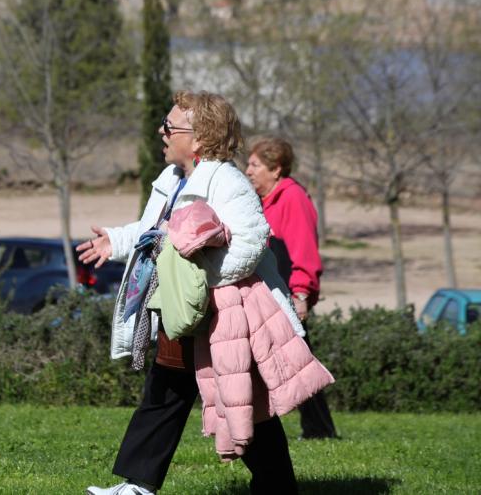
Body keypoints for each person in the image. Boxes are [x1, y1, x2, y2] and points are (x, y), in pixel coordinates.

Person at [78, 92, 299, 495]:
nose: (161, 132)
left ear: (198, 139)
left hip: (222, 315)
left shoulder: (228, 182)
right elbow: (154, 233)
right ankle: (139, 486)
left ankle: (278, 487)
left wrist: (202, 279)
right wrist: (116, 239)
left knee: (246, 406)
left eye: (170, 127)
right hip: (183, 311)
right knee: (164, 391)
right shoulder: (171, 180)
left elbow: (251, 244)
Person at [245, 136, 338, 440]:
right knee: (296, 360)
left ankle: (319, 429)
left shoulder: (292, 198)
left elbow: (305, 253)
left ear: (276, 169)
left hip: (288, 296)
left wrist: (301, 295)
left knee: (300, 361)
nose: (248, 170)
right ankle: (318, 428)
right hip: (271, 293)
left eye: (255, 165)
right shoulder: (266, 200)